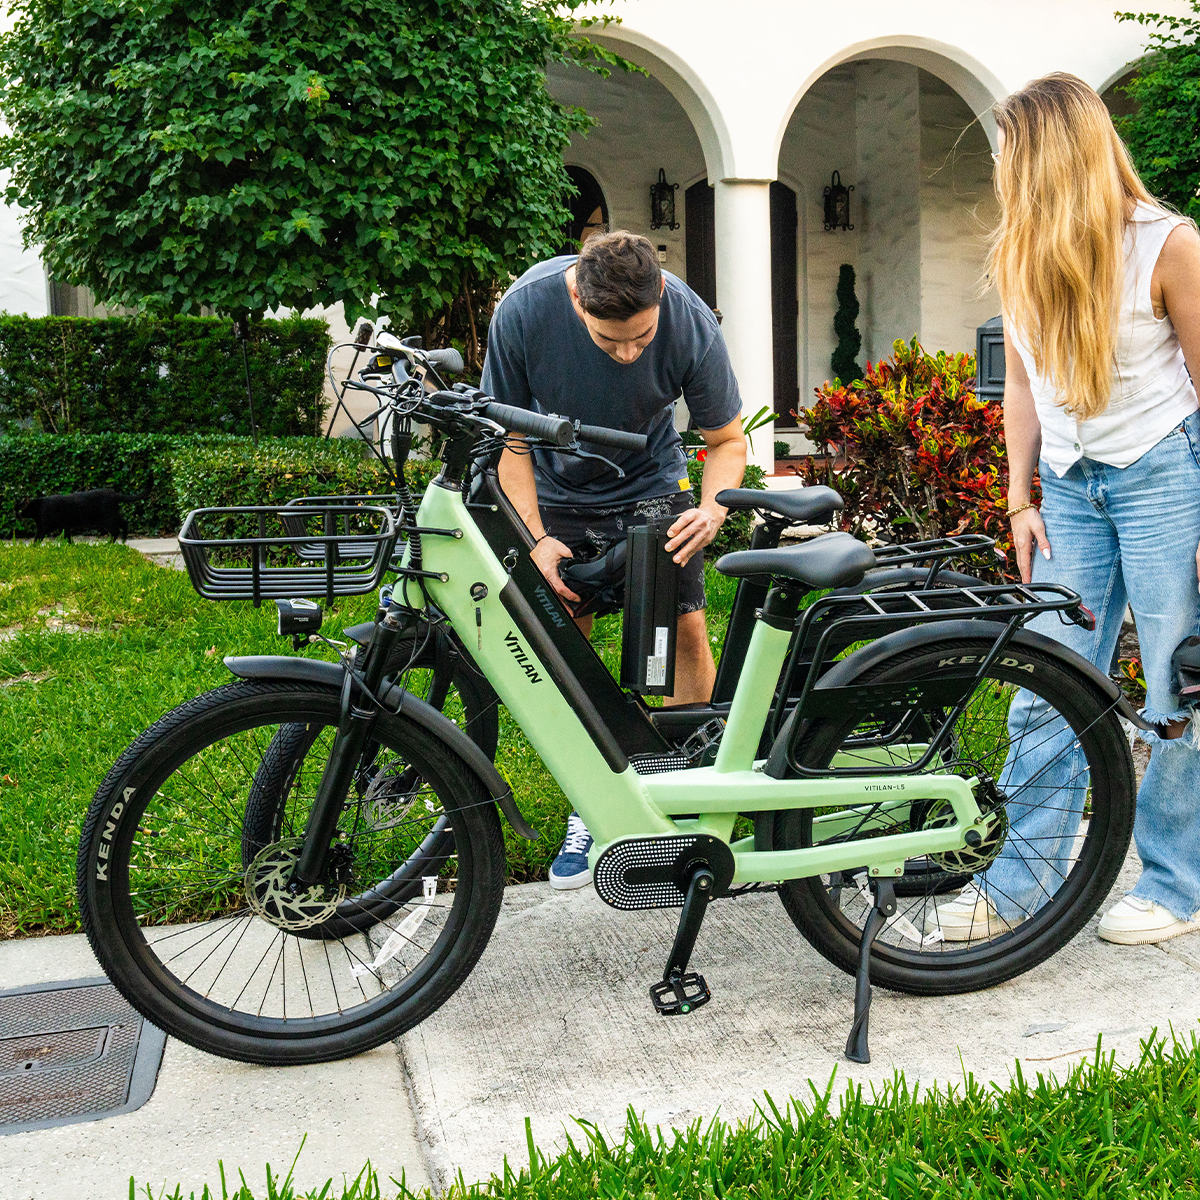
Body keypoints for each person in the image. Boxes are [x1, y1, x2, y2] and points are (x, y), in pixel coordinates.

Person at [929, 73, 1200, 945]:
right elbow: (1022, 386)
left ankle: (1177, 883)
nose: (1003, 171)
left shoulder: (1168, 245)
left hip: (1166, 474)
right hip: (1074, 490)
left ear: (1054, 157)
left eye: (1013, 155)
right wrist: (1019, 497)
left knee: (1177, 686)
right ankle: (1017, 888)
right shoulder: (1019, 250)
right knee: (1046, 682)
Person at [480, 229, 747, 889]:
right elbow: (510, 438)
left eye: (641, 338)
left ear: (659, 297)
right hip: (555, 493)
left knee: (680, 631)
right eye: (610, 342)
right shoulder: (525, 311)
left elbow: (726, 439)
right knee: (569, 650)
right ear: (577, 298)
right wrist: (536, 538)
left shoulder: (685, 317)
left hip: (654, 488)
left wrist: (712, 509)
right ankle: (594, 805)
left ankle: (690, 793)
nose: (628, 354)